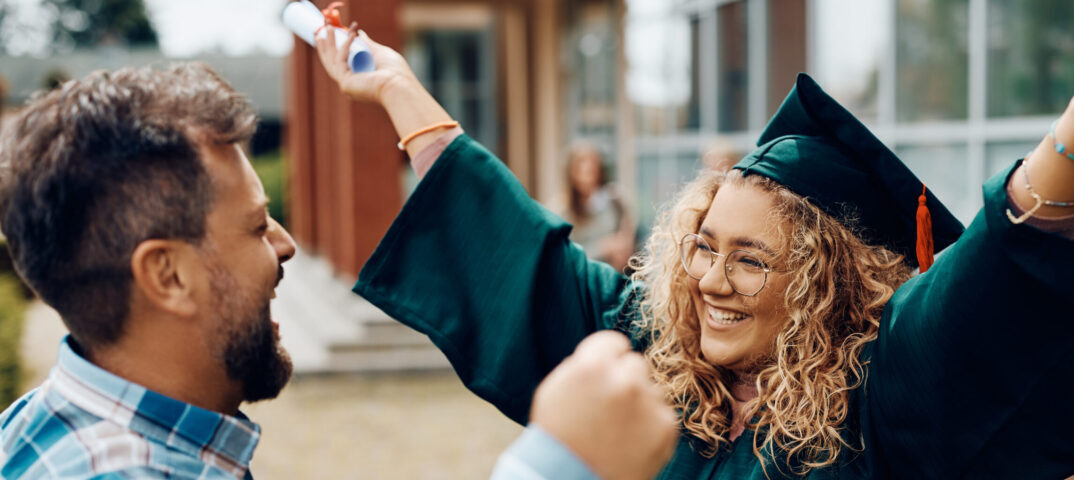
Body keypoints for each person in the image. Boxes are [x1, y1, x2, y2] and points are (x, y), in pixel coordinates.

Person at [318, 22, 1074, 480]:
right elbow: (513, 248)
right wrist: (399, 91)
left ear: (824, 285)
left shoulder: (881, 392)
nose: (708, 281)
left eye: (748, 259)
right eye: (702, 247)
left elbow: (987, 290)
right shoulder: (649, 353)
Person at [0, 64, 676, 479]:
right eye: (257, 225)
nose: (287, 244)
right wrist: (559, 466)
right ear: (168, 276)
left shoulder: (52, 427)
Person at [557, 141, 636, 270]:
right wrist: (602, 248)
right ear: (571, 171)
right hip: (583, 282)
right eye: (581, 163)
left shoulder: (615, 200)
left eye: (592, 162)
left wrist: (623, 248)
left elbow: (628, 235)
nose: (588, 168)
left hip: (615, 278)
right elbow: (563, 257)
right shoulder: (562, 212)